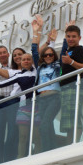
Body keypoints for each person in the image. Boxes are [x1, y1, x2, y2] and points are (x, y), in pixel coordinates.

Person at [31, 16, 67, 152]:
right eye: (45, 55)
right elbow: (34, 52)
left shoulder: (57, 66)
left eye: (50, 55)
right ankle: (52, 149)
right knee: (47, 125)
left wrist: (65, 35)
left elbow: (63, 52)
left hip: (54, 98)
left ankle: (47, 150)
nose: (48, 56)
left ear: (54, 56)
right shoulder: (40, 68)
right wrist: (36, 32)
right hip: (42, 100)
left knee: (44, 125)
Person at [60, 22, 83, 143]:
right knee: (68, 123)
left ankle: (75, 144)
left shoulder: (79, 50)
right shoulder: (69, 51)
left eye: (74, 36)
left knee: (74, 120)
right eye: (68, 36)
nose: (71, 39)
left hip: (74, 88)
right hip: (66, 89)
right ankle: (70, 145)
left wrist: (71, 62)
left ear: (79, 38)